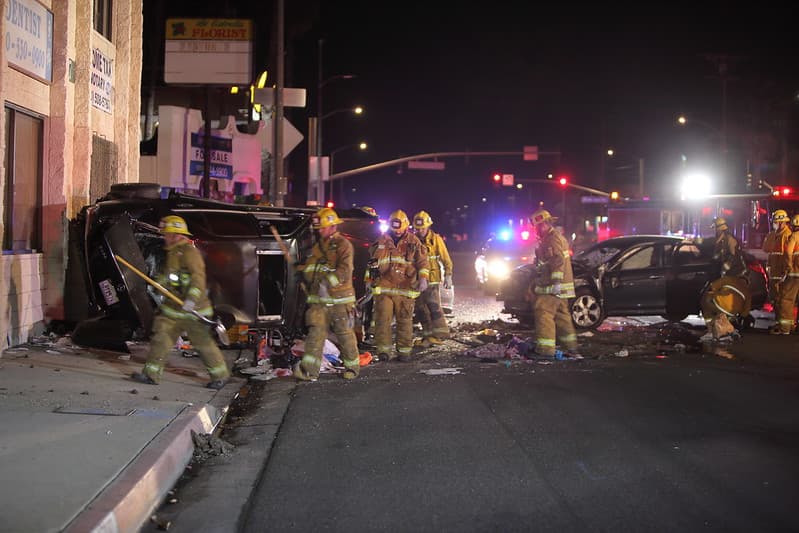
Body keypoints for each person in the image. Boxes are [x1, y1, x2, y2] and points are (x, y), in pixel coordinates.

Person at [132, 215, 231, 389]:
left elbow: (198, 279)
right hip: (173, 308)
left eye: (167, 233)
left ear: (176, 234)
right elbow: (171, 274)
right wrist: (159, 283)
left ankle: (220, 376)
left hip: (194, 309)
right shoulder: (173, 251)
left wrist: (191, 300)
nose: (164, 237)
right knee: (161, 338)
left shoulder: (189, 253)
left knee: (203, 344)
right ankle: (151, 374)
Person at [293, 207, 361, 380]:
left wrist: (326, 283)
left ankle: (352, 368)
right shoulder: (319, 246)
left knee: (344, 334)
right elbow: (312, 267)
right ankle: (309, 371)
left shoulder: (343, 245)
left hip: (339, 300)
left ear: (332, 226)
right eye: (319, 228)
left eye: (323, 227)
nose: (320, 231)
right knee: (315, 334)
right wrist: (302, 270)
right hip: (319, 300)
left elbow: (345, 270)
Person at [366, 209, 430, 362]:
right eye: (394, 228)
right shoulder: (381, 241)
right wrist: (368, 282)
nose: (397, 232)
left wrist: (423, 278)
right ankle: (384, 351)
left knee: (405, 321)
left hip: (405, 288)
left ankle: (404, 351)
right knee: (382, 320)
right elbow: (372, 264)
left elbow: (423, 262)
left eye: (400, 228)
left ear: (406, 226)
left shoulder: (414, 242)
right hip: (384, 288)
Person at [528, 209, 579, 358]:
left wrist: (556, 282)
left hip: (552, 286)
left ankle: (545, 351)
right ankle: (571, 348)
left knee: (543, 312)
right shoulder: (551, 238)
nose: (536, 230)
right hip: (560, 287)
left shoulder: (552, 239)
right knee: (562, 316)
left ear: (543, 224)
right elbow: (547, 262)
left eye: (537, 227)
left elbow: (557, 262)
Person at [700, 217, 751, 340]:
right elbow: (717, 255)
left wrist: (724, 269)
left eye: (716, 229)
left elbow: (733, 257)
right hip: (729, 274)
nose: (715, 231)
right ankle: (724, 325)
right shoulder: (721, 240)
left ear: (720, 228)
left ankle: (726, 325)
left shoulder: (730, 239)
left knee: (728, 297)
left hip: (737, 273)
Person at [412, 210, 453, 348]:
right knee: (420, 308)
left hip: (433, 278)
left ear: (428, 226)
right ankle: (428, 334)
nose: (420, 231)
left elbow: (445, 258)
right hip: (418, 279)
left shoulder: (436, 239)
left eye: (423, 228)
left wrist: (448, 275)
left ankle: (441, 333)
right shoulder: (413, 240)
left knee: (433, 306)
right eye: (418, 228)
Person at [762, 209, 791, 316]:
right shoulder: (772, 235)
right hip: (774, 271)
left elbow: (788, 255)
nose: (774, 224)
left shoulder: (788, 235)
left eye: (775, 222)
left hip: (782, 271)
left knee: (782, 298)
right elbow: (766, 249)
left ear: (781, 222)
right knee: (774, 297)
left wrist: (786, 271)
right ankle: (779, 320)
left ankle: (784, 323)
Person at [773, 214, 799, 335]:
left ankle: (785, 328)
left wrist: (788, 267)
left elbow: (788, 253)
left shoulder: (794, 236)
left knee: (786, 300)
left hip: (795, 274)